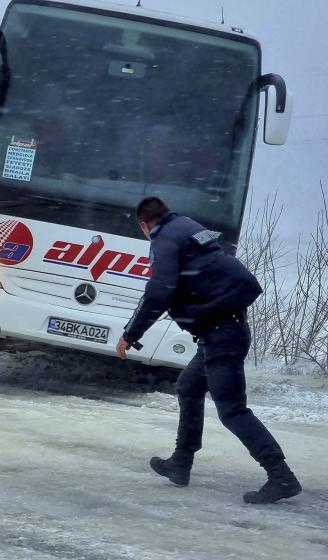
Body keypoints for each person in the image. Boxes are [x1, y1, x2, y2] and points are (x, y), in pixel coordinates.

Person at [115, 196, 302, 504]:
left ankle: (280, 475)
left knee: (232, 410)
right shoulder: (185, 227)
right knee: (188, 387)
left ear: (144, 225)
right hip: (221, 330)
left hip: (222, 334)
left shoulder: (164, 239)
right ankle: (181, 463)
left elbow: (158, 292)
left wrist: (130, 334)